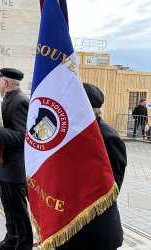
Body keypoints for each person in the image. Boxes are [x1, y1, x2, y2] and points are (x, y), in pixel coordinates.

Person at [56, 83, 127, 250]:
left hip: (95, 229)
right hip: (70, 224)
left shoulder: (107, 137)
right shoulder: (71, 132)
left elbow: (113, 187)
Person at [0, 68, 33, 250]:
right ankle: (12, 239)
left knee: (18, 211)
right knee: (9, 208)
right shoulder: (9, 100)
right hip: (6, 167)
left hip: (14, 167)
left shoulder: (20, 101)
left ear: (5, 83)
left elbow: (21, 137)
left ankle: (24, 245)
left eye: (0, 81)